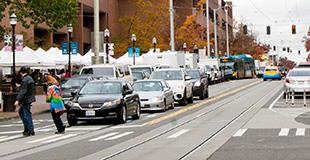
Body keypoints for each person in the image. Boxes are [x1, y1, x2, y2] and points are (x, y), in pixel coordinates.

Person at [15, 67, 36, 136]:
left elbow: (23, 91)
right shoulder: (29, 78)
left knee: (26, 114)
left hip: (25, 99)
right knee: (23, 112)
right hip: (29, 98)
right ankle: (28, 129)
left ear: (21, 72)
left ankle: (29, 130)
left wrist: (18, 100)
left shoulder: (25, 80)